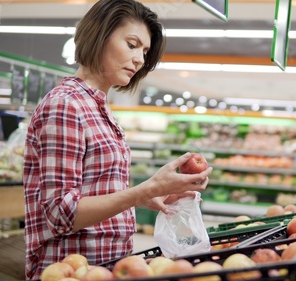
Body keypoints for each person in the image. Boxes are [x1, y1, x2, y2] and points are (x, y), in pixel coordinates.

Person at [23, 0, 213, 279]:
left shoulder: (99, 107)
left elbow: (95, 193)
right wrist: (143, 191)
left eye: (145, 51)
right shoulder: (66, 105)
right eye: (132, 44)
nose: (140, 59)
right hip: (71, 269)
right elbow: (61, 214)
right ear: (99, 34)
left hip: (106, 266)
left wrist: (153, 195)